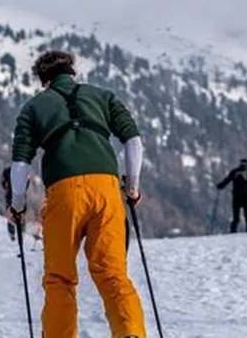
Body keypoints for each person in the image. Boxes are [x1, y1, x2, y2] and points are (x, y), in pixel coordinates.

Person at [8, 50, 146, 338]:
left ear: (44, 82)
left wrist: (18, 205)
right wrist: (131, 188)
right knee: (112, 273)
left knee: (59, 278)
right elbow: (133, 140)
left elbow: (21, 163)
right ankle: (130, 332)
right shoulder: (103, 96)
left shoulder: (33, 107)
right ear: (73, 73)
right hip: (106, 189)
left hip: (64, 192)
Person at [215, 158, 247, 233]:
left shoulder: (235, 172)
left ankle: (233, 233)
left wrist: (220, 185)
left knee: (236, 218)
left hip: (236, 197)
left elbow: (227, 180)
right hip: (246, 197)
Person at [1, 165, 17, 242]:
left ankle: (12, 233)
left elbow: (3, 183)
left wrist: (6, 187)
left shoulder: (6, 171)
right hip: (18, 195)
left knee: (10, 214)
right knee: (17, 213)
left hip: (9, 195)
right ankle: (19, 232)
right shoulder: (21, 170)